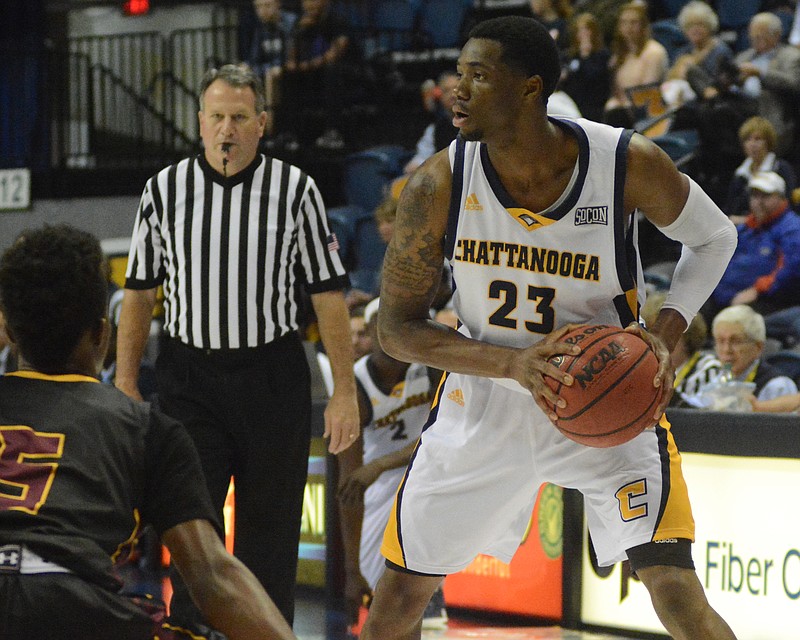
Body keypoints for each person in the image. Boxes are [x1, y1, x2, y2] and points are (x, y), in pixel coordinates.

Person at [362, 16, 739, 640]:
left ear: (529, 88)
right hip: (484, 405)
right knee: (398, 597)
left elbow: (715, 235)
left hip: (608, 395)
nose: (457, 90)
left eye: (478, 77)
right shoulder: (437, 183)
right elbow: (397, 330)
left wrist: (664, 334)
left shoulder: (623, 162)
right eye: (459, 74)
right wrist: (511, 363)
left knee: (674, 588)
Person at [115, 63, 360, 630]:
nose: (227, 129)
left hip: (271, 376)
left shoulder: (296, 190)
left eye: (239, 118)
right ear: (200, 123)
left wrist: (343, 390)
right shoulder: (163, 190)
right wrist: (126, 382)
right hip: (188, 380)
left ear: (261, 124)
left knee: (270, 542)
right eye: (217, 117)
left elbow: (327, 295)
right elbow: (138, 294)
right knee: (193, 533)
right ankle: (189, 632)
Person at [0, 224, 297, 640]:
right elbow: (213, 577)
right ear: (103, 333)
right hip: (70, 604)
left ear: (10, 334)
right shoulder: (144, 426)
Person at [335, 298, 444, 633]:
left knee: (405, 596)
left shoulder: (427, 367)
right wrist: (351, 571)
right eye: (380, 329)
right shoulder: (354, 387)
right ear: (369, 333)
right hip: (379, 495)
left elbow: (443, 437)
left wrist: (382, 463)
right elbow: (350, 484)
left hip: (426, 476)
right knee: (388, 601)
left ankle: (436, 603)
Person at [703, 171, 800, 323]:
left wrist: (757, 290)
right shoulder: (746, 227)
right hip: (720, 296)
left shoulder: (791, 228)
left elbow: (791, 269)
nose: (758, 202)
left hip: (762, 302)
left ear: (781, 198)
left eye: (766, 196)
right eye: (755, 196)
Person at [734, 12, 800, 160]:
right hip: (741, 104)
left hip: (771, 106)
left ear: (776, 35)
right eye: (753, 36)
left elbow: (793, 84)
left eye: (761, 36)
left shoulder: (791, 56)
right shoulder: (743, 57)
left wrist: (761, 74)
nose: (756, 40)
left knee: (766, 96)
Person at [641, 291, 722, 408]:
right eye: (651, 332)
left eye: (666, 333)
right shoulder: (647, 370)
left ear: (686, 333)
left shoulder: (709, 368)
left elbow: (705, 417)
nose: (656, 340)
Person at [711, 304, 798, 402]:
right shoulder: (714, 382)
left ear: (758, 347)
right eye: (720, 341)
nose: (726, 350)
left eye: (736, 341)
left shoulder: (778, 387)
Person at [603, 1, 669, 128]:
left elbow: (646, 94)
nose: (628, 27)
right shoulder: (619, 55)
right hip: (624, 109)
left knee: (616, 115)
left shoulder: (653, 52)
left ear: (643, 25)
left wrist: (622, 105)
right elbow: (616, 92)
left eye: (633, 22)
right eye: (624, 22)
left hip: (648, 113)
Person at [723, 116, 797, 221]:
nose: (752, 144)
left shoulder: (781, 168)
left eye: (758, 139)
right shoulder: (740, 174)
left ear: (768, 142)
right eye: (748, 139)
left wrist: (747, 221)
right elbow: (730, 208)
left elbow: (789, 205)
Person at [661, 1, 732, 108]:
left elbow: (720, 82)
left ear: (709, 26)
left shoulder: (720, 50)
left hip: (711, 102)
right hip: (683, 102)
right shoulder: (682, 52)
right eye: (690, 26)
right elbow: (672, 79)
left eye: (700, 25)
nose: (695, 29)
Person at [245, 0, 297, 135]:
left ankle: (268, 130)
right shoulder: (261, 27)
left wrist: (275, 66)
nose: (263, 11)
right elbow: (254, 58)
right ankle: (247, 126)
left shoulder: (291, 23)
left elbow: (291, 55)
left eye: (267, 5)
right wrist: (247, 67)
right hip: (268, 68)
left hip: (289, 70)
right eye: (259, 7)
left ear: (278, 4)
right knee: (243, 71)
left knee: (270, 74)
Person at [404, 72, 460, 175]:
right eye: (446, 91)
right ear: (440, 96)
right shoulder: (435, 129)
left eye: (456, 89)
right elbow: (422, 157)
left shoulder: (484, 123)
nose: (452, 95)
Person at [560, 12, 611, 122]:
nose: (583, 34)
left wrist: (585, 56)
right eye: (579, 31)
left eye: (586, 30)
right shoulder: (569, 56)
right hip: (571, 103)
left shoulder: (602, 55)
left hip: (594, 104)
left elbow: (593, 77)